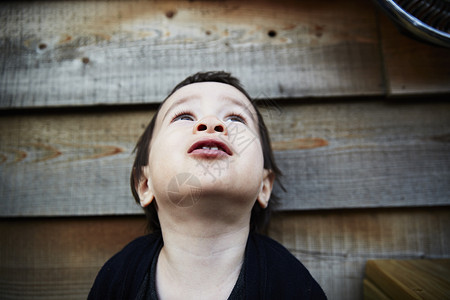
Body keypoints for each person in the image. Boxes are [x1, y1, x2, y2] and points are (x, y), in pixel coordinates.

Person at [88, 71, 327, 299]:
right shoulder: (118, 279)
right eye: (183, 117)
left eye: (235, 118)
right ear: (145, 185)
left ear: (264, 186)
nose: (211, 123)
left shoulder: (292, 285)